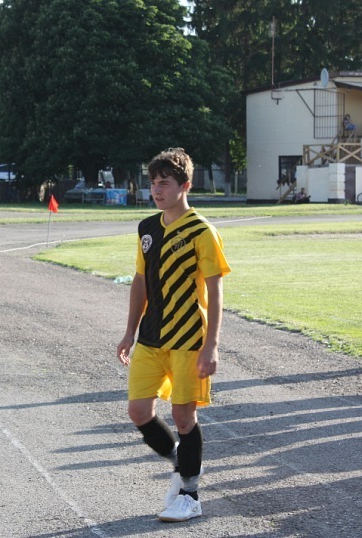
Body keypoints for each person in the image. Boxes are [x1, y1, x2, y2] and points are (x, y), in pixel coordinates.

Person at [116, 148, 231, 522]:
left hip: (188, 339)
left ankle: (190, 495)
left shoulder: (202, 231)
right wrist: (129, 332)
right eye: (152, 182)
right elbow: (140, 281)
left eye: (164, 183)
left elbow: (215, 290)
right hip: (151, 337)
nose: (156, 189)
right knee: (138, 411)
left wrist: (211, 345)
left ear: (185, 186)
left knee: (184, 418)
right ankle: (182, 464)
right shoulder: (146, 228)